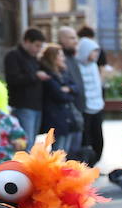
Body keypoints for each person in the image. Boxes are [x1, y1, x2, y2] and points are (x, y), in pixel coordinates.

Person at [4, 28, 48, 141]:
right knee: (25, 142)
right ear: (27, 41)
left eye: (40, 46)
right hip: (22, 105)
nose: (38, 49)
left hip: (36, 105)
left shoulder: (34, 59)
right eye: (36, 45)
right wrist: (35, 76)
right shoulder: (13, 56)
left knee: (32, 142)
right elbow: (13, 79)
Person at [39, 45, 82, 155]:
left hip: (67, 117)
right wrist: (69, 93)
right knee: (58, 150)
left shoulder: (63, 73)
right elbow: (59, 95)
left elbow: (76, 88)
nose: (63, 59)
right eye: (60, 56)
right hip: (56, 117)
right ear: (53, 58)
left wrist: (68, 89)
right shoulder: (48, 75)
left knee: (65, 150)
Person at [75, 27, 105, 166]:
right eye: (93, 51)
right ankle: (86, 162)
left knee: (98, 136)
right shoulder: (77, 66)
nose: (96, 54)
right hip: (84, 108)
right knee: (86, 136)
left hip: (97, 106)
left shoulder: (93, 66)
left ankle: (96, 158)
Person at [56, 28, 88, 157]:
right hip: (68, 111)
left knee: (74, 149)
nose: (76, 41)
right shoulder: (60, 59)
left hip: (77, 110)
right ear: (62, 40)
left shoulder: (72, 58)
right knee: (65, 150)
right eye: (72, 38)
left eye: (75, 38)